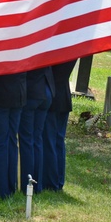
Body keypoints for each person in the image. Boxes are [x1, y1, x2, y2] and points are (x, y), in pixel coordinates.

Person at [18, 67, 54, 194]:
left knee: (27, 140)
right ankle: (37, 185)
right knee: (37, 139)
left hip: (32, 90)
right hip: (46, 88)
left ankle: (27, 184)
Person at [41, 60, 76, 191]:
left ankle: (51, 182)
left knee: (50, 141)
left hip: (54, 95)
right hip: (62, 95)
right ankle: (57, 180)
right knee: (57, 141)